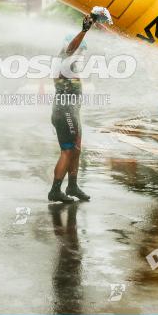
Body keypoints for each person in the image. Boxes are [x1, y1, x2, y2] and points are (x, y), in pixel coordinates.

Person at [48, 14, 95, 203]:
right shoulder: (64, 59)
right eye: (80, 50)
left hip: (72, 112)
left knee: (76, 150)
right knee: (68, 151)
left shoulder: (72, 66)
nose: (81, 54)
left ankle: (73, 186)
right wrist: (84, 31)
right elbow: (71, 49)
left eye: (83, 52)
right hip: (65, 112)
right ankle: (55, 190)